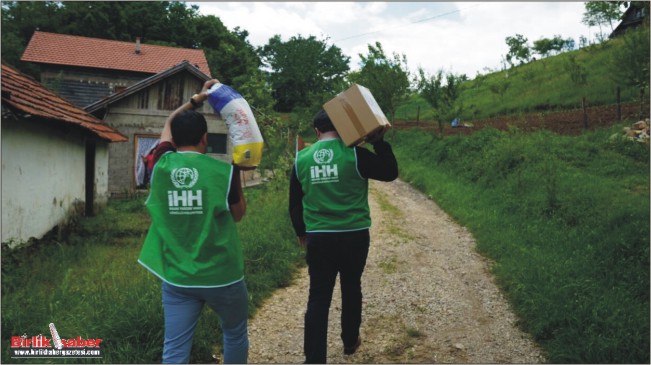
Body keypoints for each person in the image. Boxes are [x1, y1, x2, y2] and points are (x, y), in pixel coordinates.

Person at [138, 79, 249, 364]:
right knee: (234, 333)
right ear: (205, 138)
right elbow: (238, 215)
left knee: (175, 348)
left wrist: (195, 100)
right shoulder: (223, 172)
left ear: (172, 141)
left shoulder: (161, 164)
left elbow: (168, 123)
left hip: (177, 276)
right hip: (223, 275)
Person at [288, 109, 399, 363]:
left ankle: (314, 359)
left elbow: (295, 201)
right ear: (341, 127)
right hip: (354, 235)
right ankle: (350, 341)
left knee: (318, 297)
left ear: (317, 132)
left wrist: (300, 231)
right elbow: (390, 172)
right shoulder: (355, 155)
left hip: (319, 237)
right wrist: (378, 142)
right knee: (351, 286)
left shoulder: (301, 159)